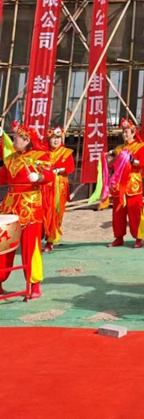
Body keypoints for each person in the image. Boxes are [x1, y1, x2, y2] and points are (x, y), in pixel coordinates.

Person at [0, 121, 54, 298]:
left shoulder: (40, 155)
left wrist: (39, 177)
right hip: (10, 205)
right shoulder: (11, 158)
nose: (14, 140)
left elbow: (50, 176)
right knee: (4, 245)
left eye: (17, 137)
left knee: (30, 246)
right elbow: (3, 177)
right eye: (14, 137)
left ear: (27, 140)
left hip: (30, 206)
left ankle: (34, 285)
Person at [107, 119, 144, 249]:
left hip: (132, 182)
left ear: (133, 133)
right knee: (118, 213)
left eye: (127, 132)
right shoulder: (119, 149)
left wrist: (132, 160)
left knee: (135, 212)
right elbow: (112, 166)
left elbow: (143, 163)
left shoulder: (141, 147)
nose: (124, 134)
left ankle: (138, 238)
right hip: (119, 184)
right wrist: (109, 158)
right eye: (123, 132)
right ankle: (118, 237)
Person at [41, 126, 75, 251]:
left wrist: (59, 170)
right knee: (43, 211)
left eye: (58, 138)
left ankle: (50, 240)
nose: (56, 140)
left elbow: (70, 167)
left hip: (59, 187)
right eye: (53, 138)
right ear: (48, 139)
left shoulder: (66, 152)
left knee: (56, 212)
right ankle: (39, 236)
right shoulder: (43, 152)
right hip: (44, 186)